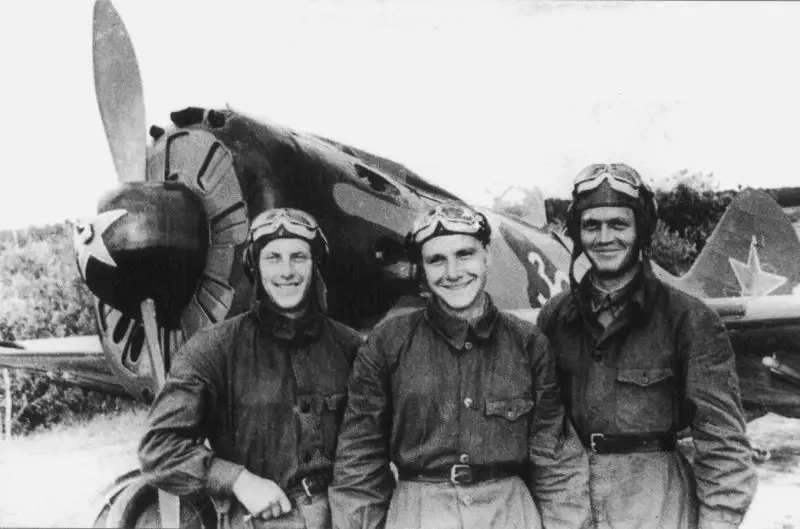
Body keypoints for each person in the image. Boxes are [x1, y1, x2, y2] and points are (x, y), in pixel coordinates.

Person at [330, 202, 590, 529]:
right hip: (420, 515)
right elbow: (359, 462)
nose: (453, 272)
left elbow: (556, 462)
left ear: (487, 256)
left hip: (509, 514)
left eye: (465, 254)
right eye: (436, 260)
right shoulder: (386, 343)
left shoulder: (528, 343)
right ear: (422, 269)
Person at [537, 164, 758, 528]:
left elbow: (724, 446)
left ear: (640, 229)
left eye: (618, 224)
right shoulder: (555, 317)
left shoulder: (689, 318)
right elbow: (545, 432)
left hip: (657, 509)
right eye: (591, 226)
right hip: (572, 509)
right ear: (577, 232)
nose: (604, 237)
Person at [139, 208, 364, 528]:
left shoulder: (350, 346)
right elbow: (158, 449)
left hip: (346, 517)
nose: (287, 271)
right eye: (273, 258)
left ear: (315, 264)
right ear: (254, 266)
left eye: (298, 257)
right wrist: (239, 480)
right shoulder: (213, 349)